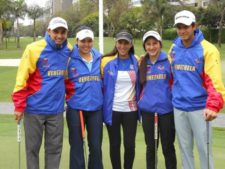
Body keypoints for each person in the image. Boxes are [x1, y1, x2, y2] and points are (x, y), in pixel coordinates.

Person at [12, 17, 72, 169]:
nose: (59, 35)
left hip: (56, 111)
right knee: (32, 150)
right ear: (48, 31)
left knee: (54, 150)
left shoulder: (69, 50)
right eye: (56, 31)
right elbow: (21, 78)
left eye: (63, 32)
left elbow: (68, 79)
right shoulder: (33, 49)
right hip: (34, 110)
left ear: (67, 33)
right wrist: (19, 106)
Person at [168, 10, 225, 169]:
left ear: (194, 26)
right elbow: (172, 77)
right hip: (179, 107)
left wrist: (213, 105)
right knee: (185, 150)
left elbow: (214, 82)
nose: (182, 30)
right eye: (179, 27)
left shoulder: (207, 49)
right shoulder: (174, 47)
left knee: (204, 151)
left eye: (185, 26)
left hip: (200, 109)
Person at [65, 26, 104, 169]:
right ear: (76, 41)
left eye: (89, 41)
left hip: (96, 108)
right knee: (76, 146)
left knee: (95, 146)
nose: (86, 44)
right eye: (83, 41)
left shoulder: (99, 57)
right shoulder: (68, 58)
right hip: (76, 109)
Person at [101, 31, 140, 169]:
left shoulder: (137, 61)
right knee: (115, 144)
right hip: (113, 110)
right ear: (116, 43)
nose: (123, 46)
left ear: (131, 44)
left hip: (131, 110)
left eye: (126, 43)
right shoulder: (107, 62)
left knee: (130, 145)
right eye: (120, 42)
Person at [138, 30, 177, 169]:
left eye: (154, 43)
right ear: (144, 46)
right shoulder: (141, 63)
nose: (151, 47)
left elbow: (175, 84)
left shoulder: (169, 61)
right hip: (148, 111)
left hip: (166, 111)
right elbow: (138, 88)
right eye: (148, 44)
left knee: (168, 147)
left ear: (160, 44)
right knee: (151, 148)